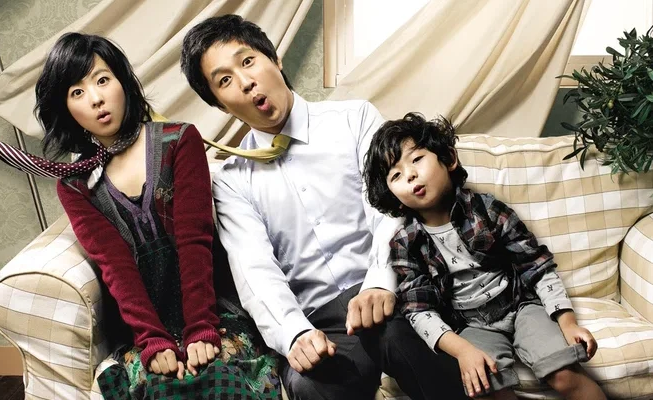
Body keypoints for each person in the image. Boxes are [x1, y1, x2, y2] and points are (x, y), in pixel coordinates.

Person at [0, 32, 279, 399]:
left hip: (212, 312)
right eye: (77, 92)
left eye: (103, 80)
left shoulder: (179, 141)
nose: (96, 98)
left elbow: (194, 240)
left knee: (220, 381)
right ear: (66, 108)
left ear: (123, 81)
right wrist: (152, 340)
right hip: (146, 330)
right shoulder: (75, 185)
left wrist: (201, 328)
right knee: (160, 389)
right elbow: (115, 267)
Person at [180, 14, 467, 400]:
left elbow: (390, 210)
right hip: (323, 322)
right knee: (308, 386)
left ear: (274, 59)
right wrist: (294, 334)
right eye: (225, 81)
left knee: (400, 336)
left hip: (393, 288)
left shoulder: (354, 119)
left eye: (247, 61)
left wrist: (381, 282)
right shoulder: (231, 180)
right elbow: (255, 270)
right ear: (220, 103)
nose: (246, 82)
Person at [362, 112, 607, 399]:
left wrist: (567, 322)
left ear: (448, 159)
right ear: (392, 195)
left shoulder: (487, 210)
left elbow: (536, 265)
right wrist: (462, 351)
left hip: (521, 305)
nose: (410, 175)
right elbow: (419, 310)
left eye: (416, 159)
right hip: (471, 325)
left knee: (564, 374)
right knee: (487, 387)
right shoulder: (405, 244)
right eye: (396, 175)